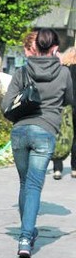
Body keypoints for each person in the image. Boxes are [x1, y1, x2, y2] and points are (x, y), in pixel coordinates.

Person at [1, 28, 73, 258]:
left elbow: (5, 105)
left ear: (36, 47)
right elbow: (70, 100)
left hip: (20, 132)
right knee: (33, 186)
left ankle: (27, 232)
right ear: (54, 49)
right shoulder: (64, 74)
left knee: (25, 184)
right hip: (45, 133)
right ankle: (25, 236)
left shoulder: (22, 71)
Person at [51, 46, 76, 179]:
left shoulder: (62, 70)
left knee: (60, 135)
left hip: (64, 107)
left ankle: (57, 169)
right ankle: (74, 168)